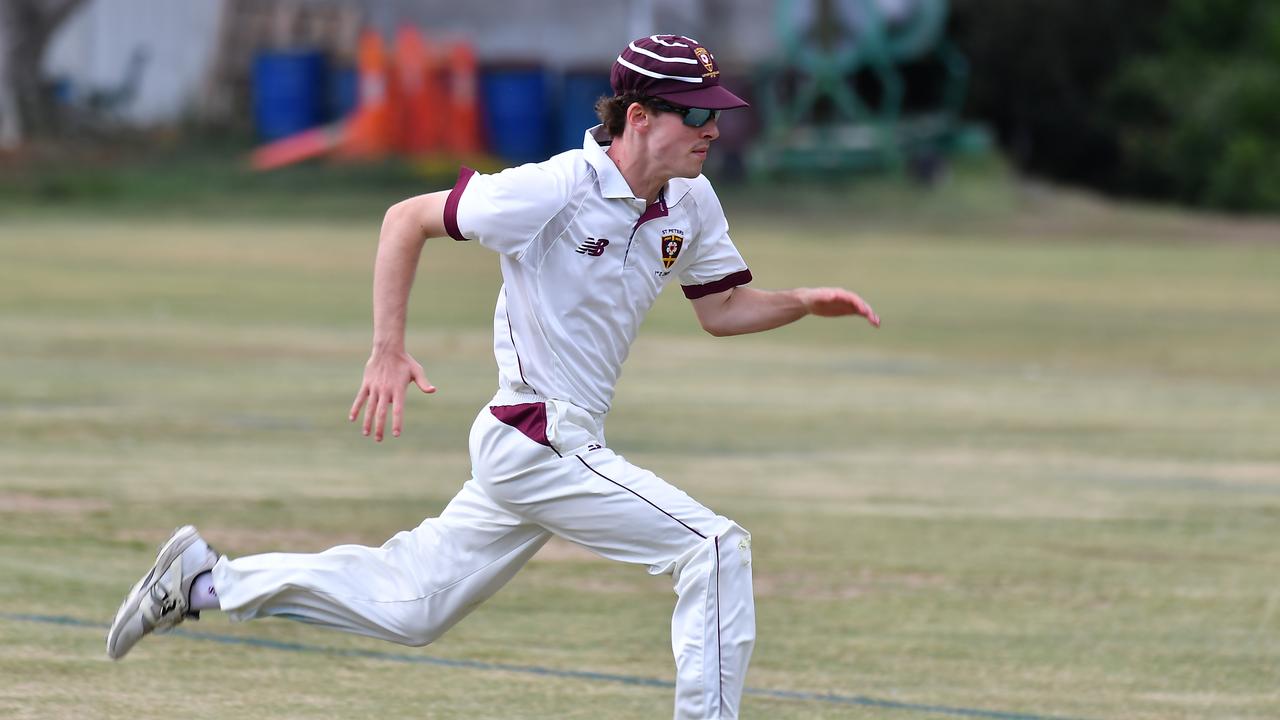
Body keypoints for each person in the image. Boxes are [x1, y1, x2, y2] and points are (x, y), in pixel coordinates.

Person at [105, 34, 879, 719]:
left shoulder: (691, 202)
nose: (714, 129)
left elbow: (724, 307)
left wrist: (803, 303)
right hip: (538, 435)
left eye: (716, 113)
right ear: (638, 117)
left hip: (545, 447)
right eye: (695, 114)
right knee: (714, 549)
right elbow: (405, 218)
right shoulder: (555, 188)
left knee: (412, 610)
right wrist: (386, 348)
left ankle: (208, 582)